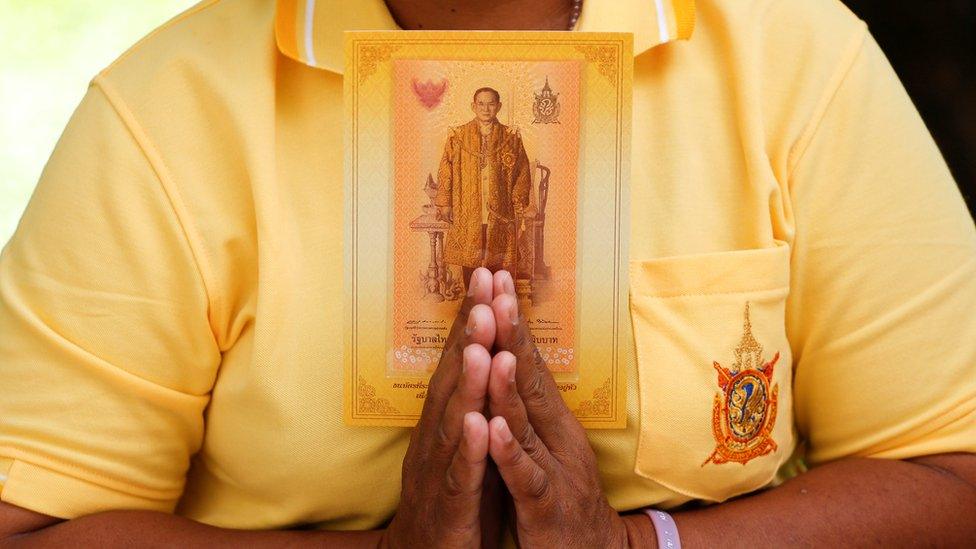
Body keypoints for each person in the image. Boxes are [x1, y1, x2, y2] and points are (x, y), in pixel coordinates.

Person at [1, 0, 974, 546]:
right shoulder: (167, 111)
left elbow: (952, 473)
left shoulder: (797, 56)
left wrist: (635, 548)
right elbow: (30, 526)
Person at [436, 87, 531, 286]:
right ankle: (471, 309)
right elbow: (446, 169)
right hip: (468, 208)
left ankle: (493, 307)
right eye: (481, 103)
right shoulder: (458, 136)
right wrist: (445, 203)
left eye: (491, 103)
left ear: (499, 106)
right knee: (471, 257)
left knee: (496, 257)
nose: (486, 108)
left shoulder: (510, 137)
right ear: (473, 106)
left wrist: (517, 200)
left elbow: (522, 170)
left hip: (499, 210)